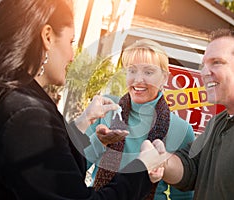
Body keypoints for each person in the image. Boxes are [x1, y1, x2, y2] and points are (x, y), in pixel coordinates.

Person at [0, 0, 165, 199]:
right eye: (71, 41)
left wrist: (82, 126)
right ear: (47, 37)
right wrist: (141, 168)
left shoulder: (8, 94)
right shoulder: (27, 114)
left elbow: (51, 174)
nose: (72, 56)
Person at [145, 29, 234, 200]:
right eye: (203, 65)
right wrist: (162, 161)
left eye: (217, 62)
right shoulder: (218, 122)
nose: (205, 72)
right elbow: (190, 168)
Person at [83, 39, 195, 200]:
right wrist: (99, 140)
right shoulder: (106, 109)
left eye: (148, 72)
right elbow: (78, 165)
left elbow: (183, 195)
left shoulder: (181, 129)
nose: (138, 80)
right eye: (132, 70)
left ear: (164, 78)